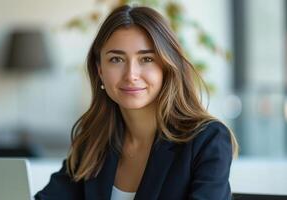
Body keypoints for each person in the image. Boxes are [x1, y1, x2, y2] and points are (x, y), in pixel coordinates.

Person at [35, 4, 239, 200]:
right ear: (100, 69)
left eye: (146, 59)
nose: (131, 75)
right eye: (116, 59)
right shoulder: (93, 142)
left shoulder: (207, 140)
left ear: (167, 67)